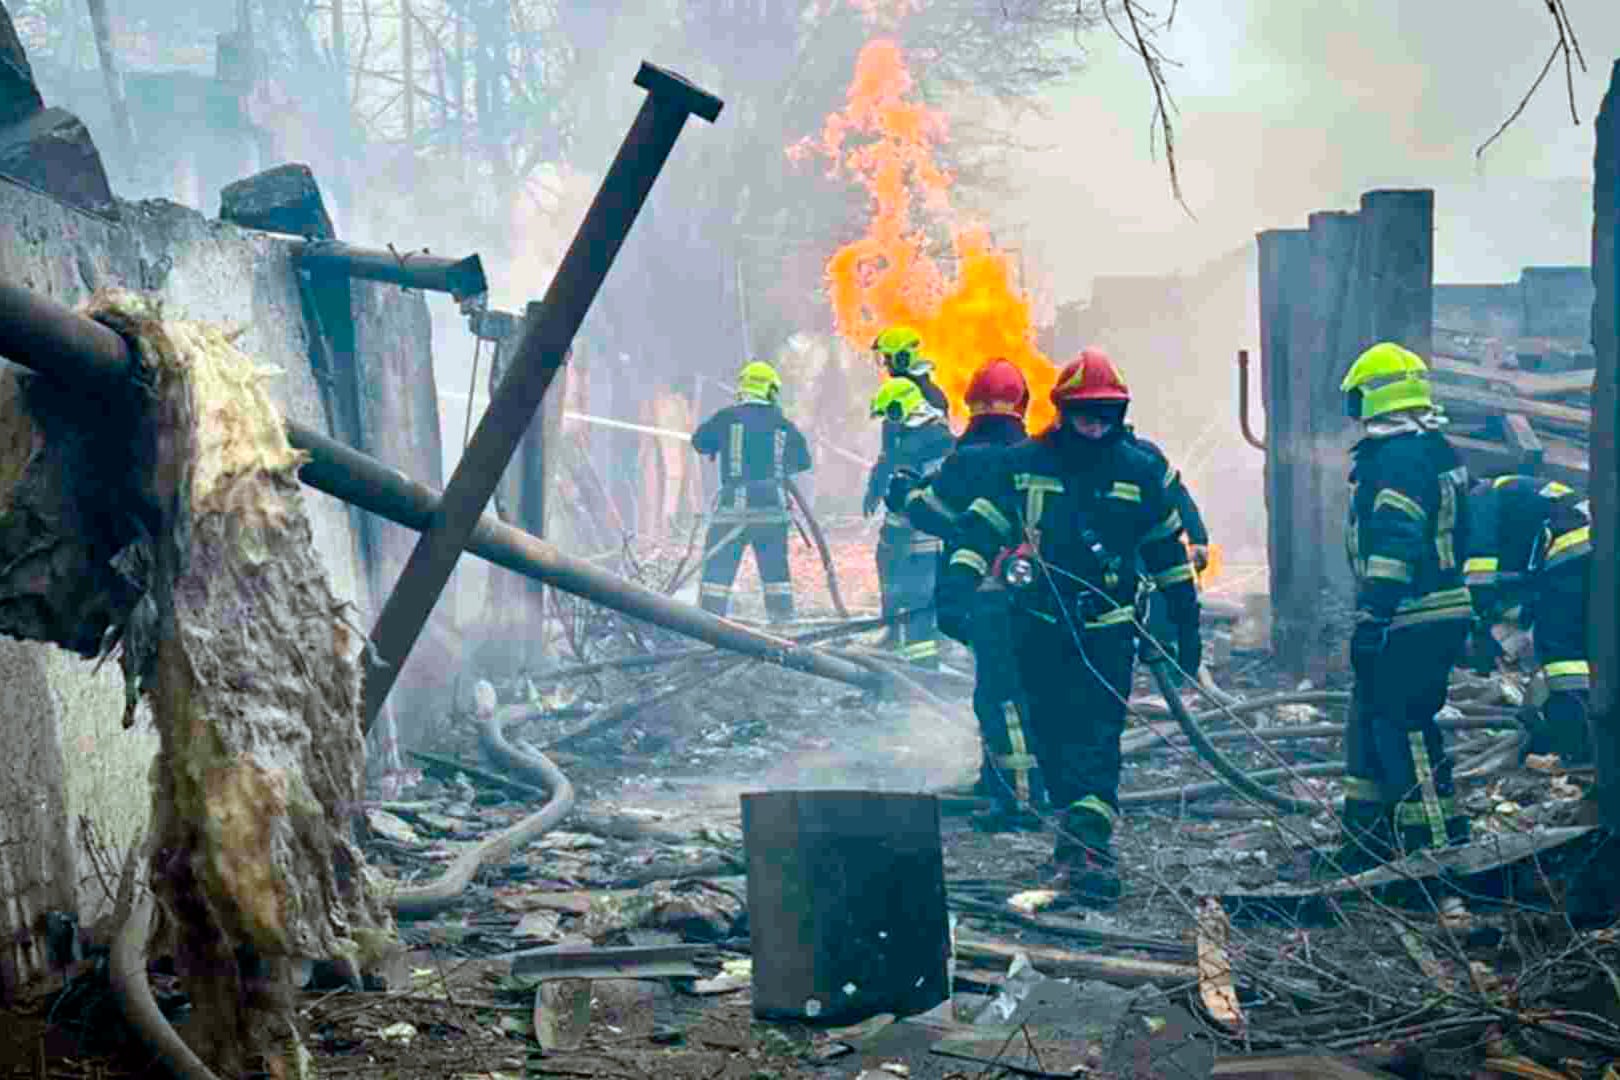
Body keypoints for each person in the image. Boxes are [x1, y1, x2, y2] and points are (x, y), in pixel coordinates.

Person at [931, 347, 1201, 904]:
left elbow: (1166, 552)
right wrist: (955, 587)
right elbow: (982, 527)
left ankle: (1092, 849)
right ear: (1059, 409)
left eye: (1104, 415)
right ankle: (1072, 838)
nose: (1094, 425)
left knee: (1098, 740)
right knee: (1051, 739)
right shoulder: (1026, 463)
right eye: (1083, 413)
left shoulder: (1139, 472)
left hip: (1107, 631)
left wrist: (1186, 618)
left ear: (1120, 414)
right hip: (1038, 629)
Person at [1333, 341, 1474, 874]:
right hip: (1425, 612)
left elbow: (1395, 541)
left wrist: (1374, 613)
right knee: (1371, 721)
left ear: (1370, 398)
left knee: (1405, 725)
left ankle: (1437, 851)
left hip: (1412, 616)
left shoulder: (1397, 459)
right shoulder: (1432, 451)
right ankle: (1367, 843)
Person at [888, 358, 1045, 829]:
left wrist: (905, 496)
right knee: (1020, 689)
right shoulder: (1036, 454)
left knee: (1000, 696)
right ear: (1023, 405)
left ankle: (1018, 800)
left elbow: (936, 513)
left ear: (971, 405)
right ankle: (997, 779)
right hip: (1037, 595)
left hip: (985, 593)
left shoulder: (967, 460)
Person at [1464, 474, 1592, 763]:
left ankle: (1574, 737)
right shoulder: (1517, 493)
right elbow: (1527, 577)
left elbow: (1480, 572)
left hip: (1570, 551)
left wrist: (1479, 617)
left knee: (1560, 652)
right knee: (1588, 640)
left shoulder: (1479, 497)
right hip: (1595, 549)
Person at [690, 360, 812, 622]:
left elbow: (699, 441)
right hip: (771, 512)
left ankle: (708, 625)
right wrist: (778, 467)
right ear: (770, 391)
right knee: (775, 575)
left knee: (717, 575)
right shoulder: (783, 424)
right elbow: (804, 460)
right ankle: (783, 627)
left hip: (733, 511)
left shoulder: (727, 418)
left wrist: (719, 446)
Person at [863, 375, 954, 666]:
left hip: (913, 537)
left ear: (901, 409)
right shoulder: (942, 436)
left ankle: (920, 664)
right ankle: (912, 647)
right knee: (923, 599)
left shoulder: (914, 444)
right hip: (935, 536)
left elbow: (905, 495)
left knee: (913, 598)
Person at [871, 325, 949, 415]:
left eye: (887, 357)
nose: (885, 363)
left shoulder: (923, 396)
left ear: (902, 358)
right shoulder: (918, 388)